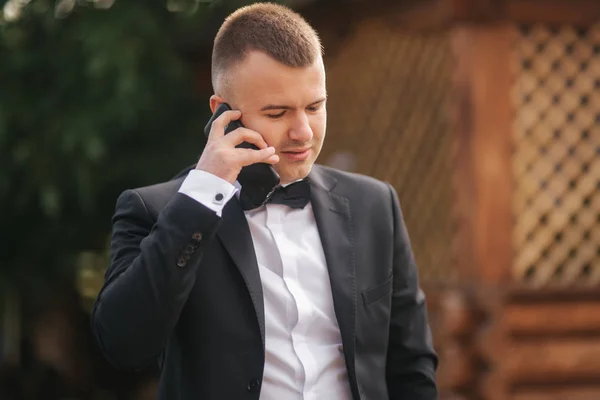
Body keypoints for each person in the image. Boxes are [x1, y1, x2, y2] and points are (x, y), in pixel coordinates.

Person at [91, 3, 438, 399]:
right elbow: (123, 344)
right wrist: (201, 198)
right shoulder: (154, 211)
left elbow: (412, 366)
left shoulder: (375, 205)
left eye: (315, 106)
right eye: (277, 113)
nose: (303, 132)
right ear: (222, 112)